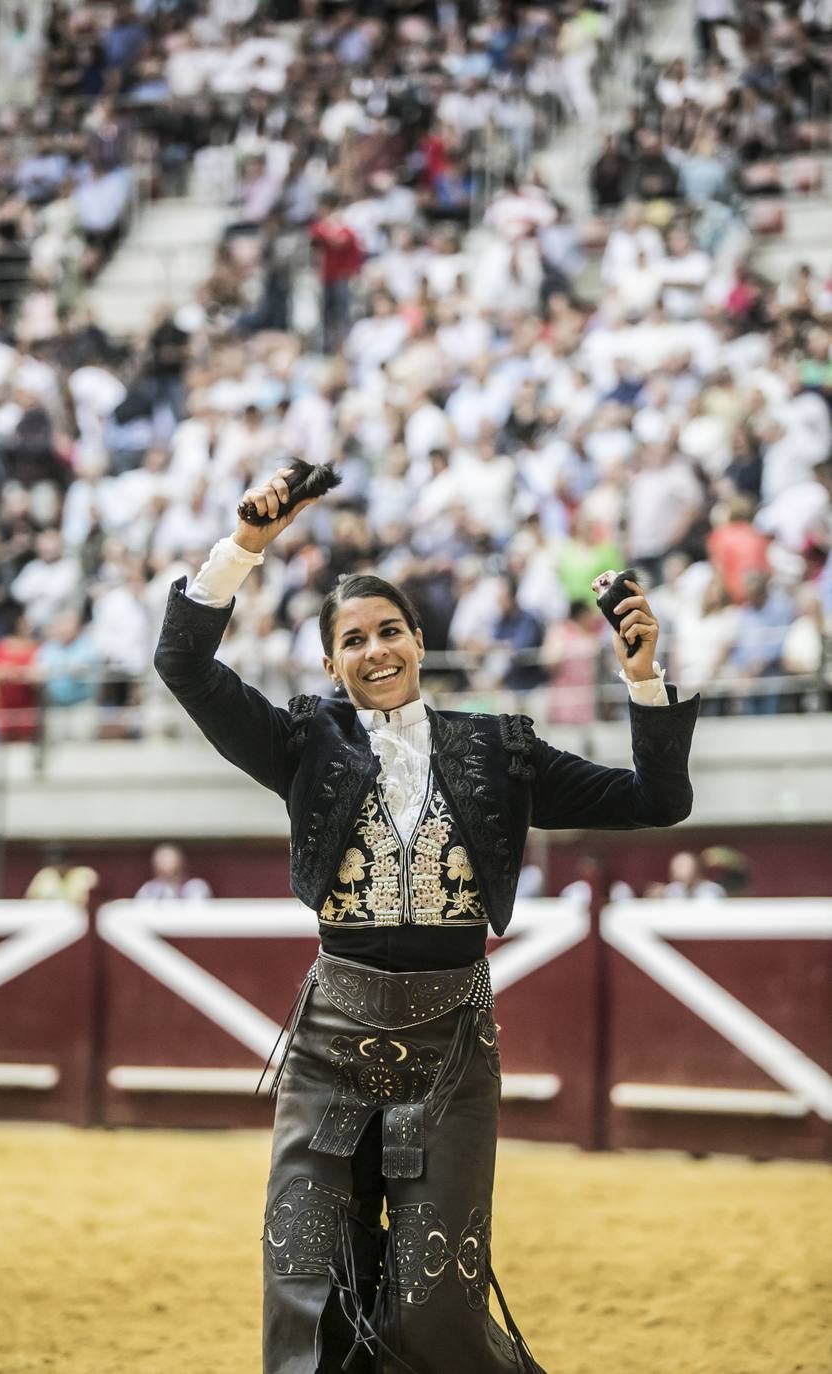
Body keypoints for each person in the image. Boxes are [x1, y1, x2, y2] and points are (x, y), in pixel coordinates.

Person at [154, 468, 699, 1374]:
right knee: (307, 1287)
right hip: (330, 1043)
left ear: (417, 641)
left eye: (391, 631)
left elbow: (655, 800)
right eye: (354, 640)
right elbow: (182, 664)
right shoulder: (301, 741)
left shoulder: (499, 748)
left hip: (451, 1048)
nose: (377, 651)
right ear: (330, 664)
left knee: (435, 1305)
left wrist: (644, 681)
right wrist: (246, 545)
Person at [134, 843, 212, 900]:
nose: (166, 863)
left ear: (180, 862)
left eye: (169, 859)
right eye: (162, 860)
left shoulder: (196, 886)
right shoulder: (148, 890)